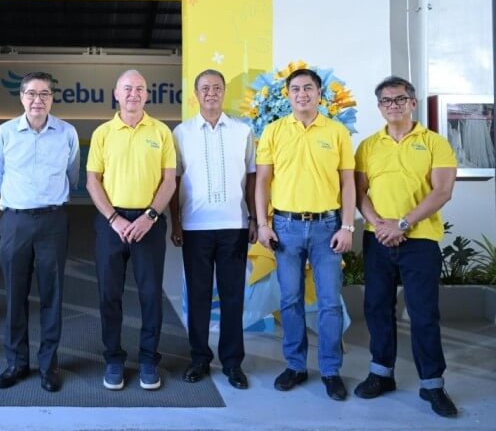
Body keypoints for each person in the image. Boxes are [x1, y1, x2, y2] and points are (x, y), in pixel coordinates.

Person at [353, 76, 458, 417]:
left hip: (420, 240)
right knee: (377, 309)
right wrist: (381, 225)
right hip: (377, 238)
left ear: (412, 103)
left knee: (424, 314)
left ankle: (432, 385)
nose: (393, 106)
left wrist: (403, 224)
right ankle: (381, 374)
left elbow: (441, 191)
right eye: (386, 101)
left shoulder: (435, 143)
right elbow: (360, 193)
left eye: (399, 99)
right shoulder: (368, 146)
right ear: (379, 107)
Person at [255, 67, 355, 401]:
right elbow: (263, 182)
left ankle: (330, 370)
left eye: (308, 88)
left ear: (319, 93)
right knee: (290, 300)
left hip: (328, 227)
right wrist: (264, 223)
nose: (302, 94)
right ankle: (295, 366)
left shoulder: (337, 131)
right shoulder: (273, 131)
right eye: (295, 89)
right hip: (285, 227)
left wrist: (347, 225)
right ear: (288, 94)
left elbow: (348, 182)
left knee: (329, 304)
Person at [0, 72, 80, 393]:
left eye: (44, 94)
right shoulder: (4, 134)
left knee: (52, 296)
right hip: (15, 221)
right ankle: (16, 363)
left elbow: (72, 174)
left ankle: (48, 364)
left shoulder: (67, 133)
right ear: (21, 97)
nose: (37, 100)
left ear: (52, 98)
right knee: (15, 294)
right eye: (31, 94)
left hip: (53, 221)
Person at [86, 69, 177, 391]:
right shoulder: (103, 133)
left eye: (139, 88)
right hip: (112, 223)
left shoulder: (162, 132)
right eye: (127, 88)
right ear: (116, 93)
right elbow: (92, 181)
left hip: (149, 224)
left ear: (147, 94)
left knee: (151, 295)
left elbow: (169, 180)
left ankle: (150, 359)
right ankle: (113, 358)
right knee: (109, 295)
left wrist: (150, 216)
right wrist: (114, 219)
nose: (133, 94)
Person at [170, 69, 257, 389]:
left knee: (234, 297)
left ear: (223, 93)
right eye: (204, 88)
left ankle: (233, 363)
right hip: (195, 227)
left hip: (233, 225)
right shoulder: (181, 133)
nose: (211, 93)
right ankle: (199, 359)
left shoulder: (242, 131)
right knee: (198, 296)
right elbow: (174, 180)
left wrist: (253, 219)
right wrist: (176, 222)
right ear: (195, 94)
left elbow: (251, 178)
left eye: (217, 88)